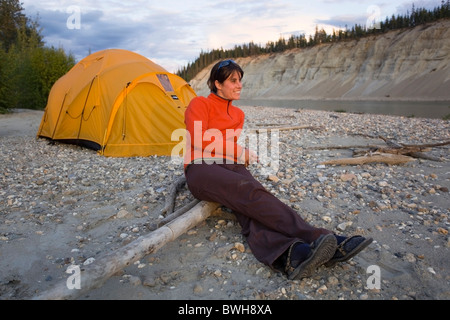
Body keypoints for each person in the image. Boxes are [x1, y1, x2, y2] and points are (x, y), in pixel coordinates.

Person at [183, 59, 373, 280]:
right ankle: (316, 236)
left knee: (251, 206)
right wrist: (241, 152)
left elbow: (228, 146)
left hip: (230, 165)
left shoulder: (238, 115)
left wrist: (239, 155)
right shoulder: (199, 104)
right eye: (233, 81)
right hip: (201, 168)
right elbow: (198, 138)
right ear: (217, 84)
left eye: (240, 80)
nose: (239, 85)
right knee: (248, 191)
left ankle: (290, 255)